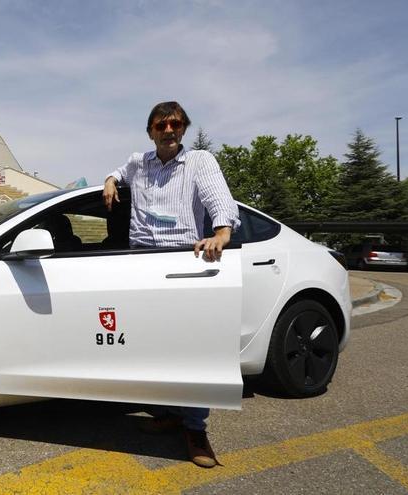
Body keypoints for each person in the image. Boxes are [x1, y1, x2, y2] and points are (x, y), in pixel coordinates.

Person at [102, 101, 240, 469]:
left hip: (183, 261)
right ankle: (170, 413)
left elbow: (217, 198)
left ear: (183, 129)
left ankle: (195, 429)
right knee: (149, 347)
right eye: (161, 125)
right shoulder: (138, 162)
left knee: (193, 351)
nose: (168, 130)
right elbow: (118, 169)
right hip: (140, 263)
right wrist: (111, 180)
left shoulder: (199, 162)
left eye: (176, 124)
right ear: (150, 131)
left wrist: (221, 232)